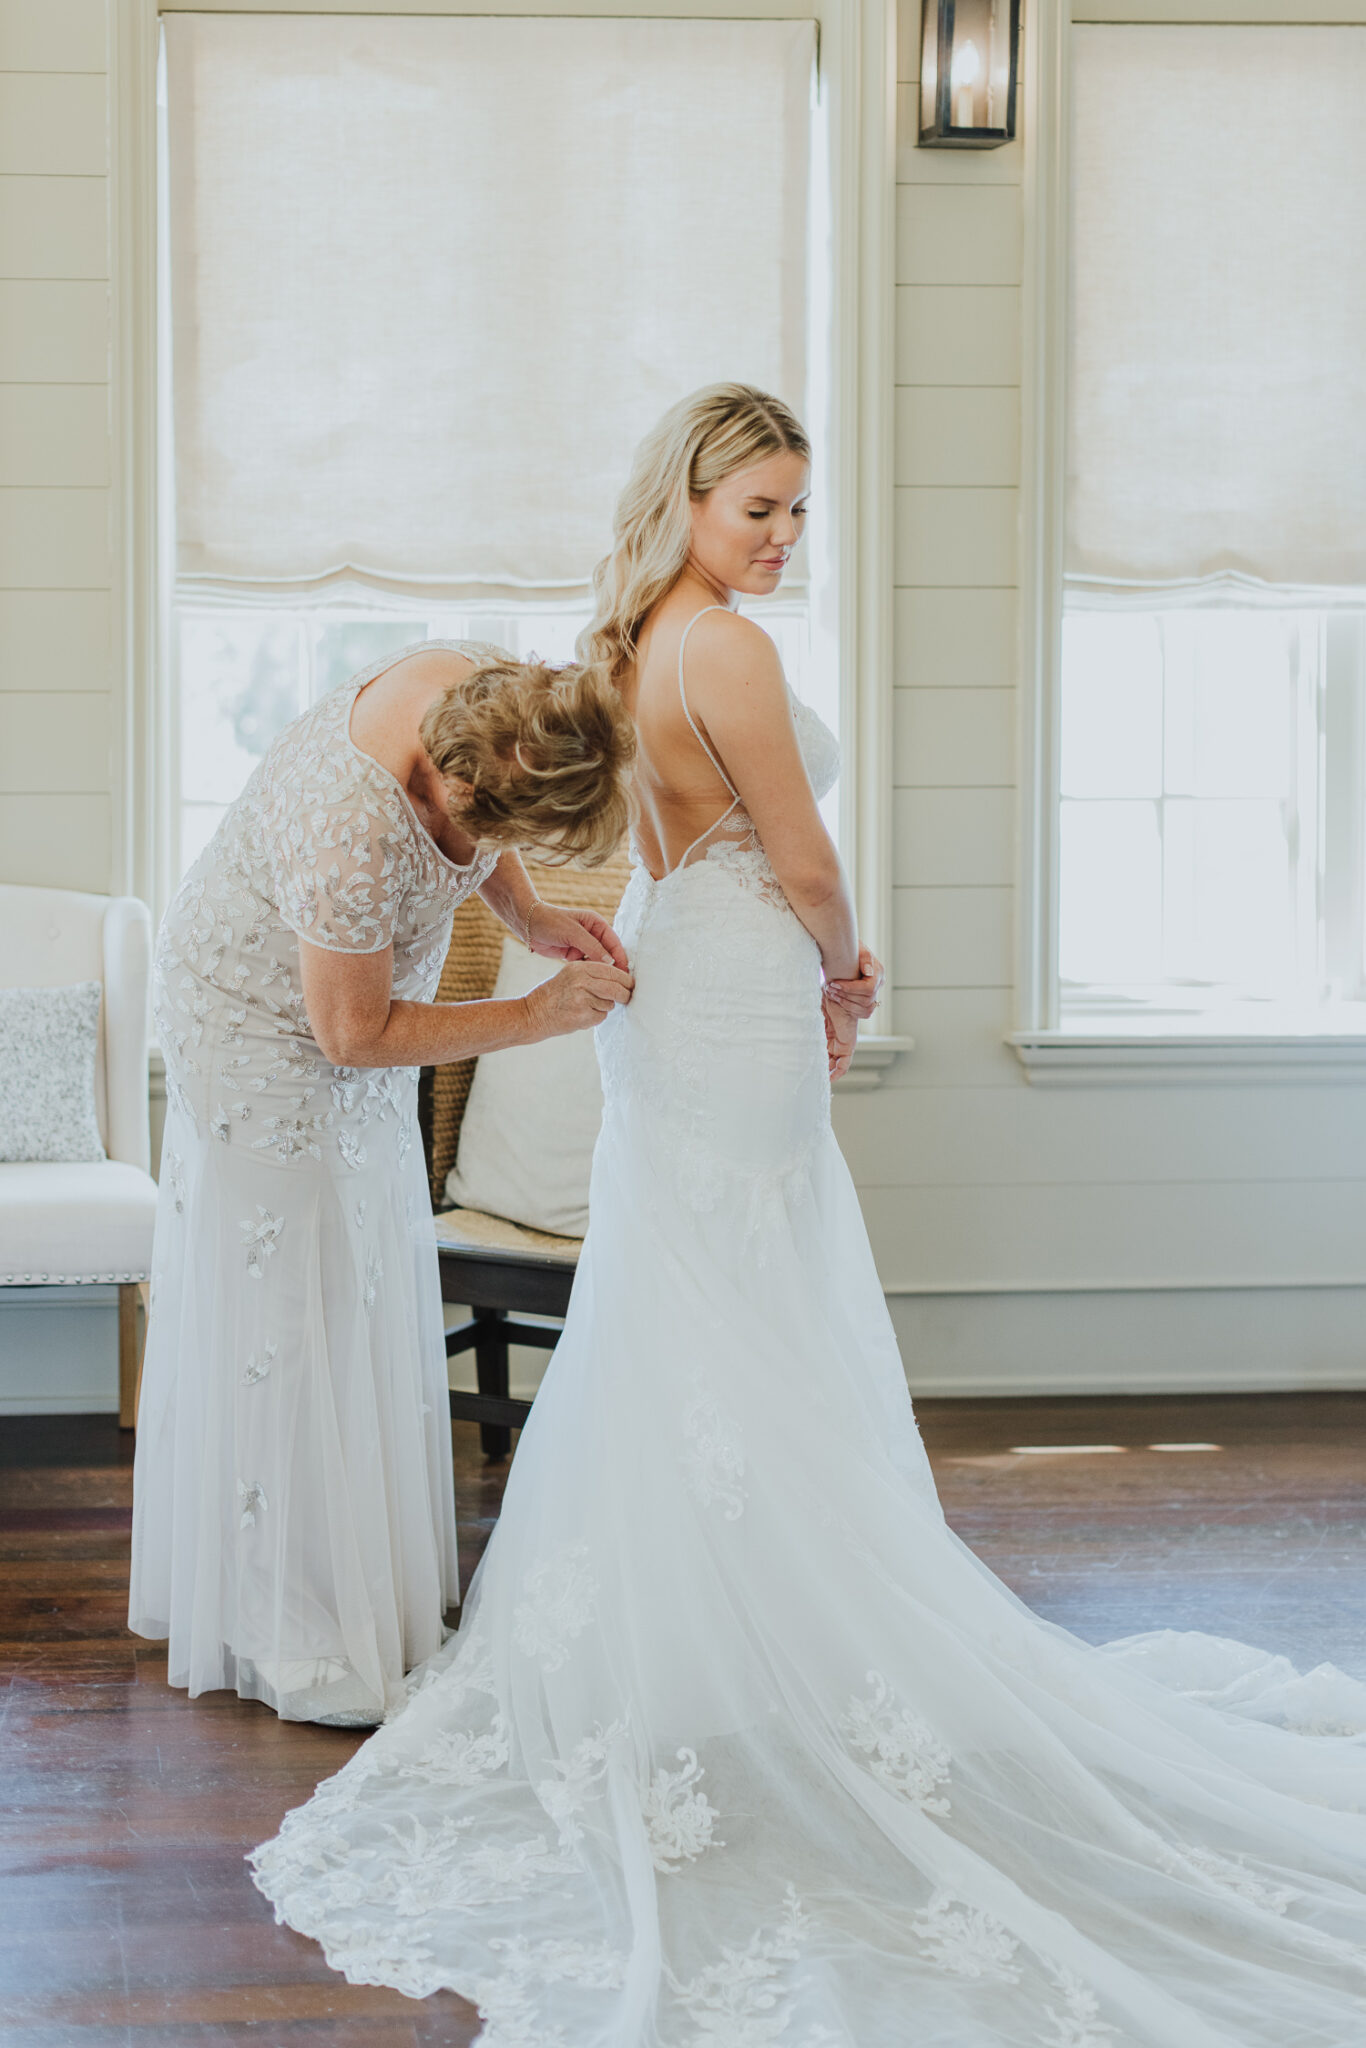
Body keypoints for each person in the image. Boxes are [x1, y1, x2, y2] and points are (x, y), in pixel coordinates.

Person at [251, 393, 1366, 2042]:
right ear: (689, 499)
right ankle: (784, 1651)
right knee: (756, 1305)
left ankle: (712, 1655)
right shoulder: (732, 657)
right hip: (743, 998)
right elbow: (805, 853)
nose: (783, 537)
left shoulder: (625, 638)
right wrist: (846, 968)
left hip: (669, 1003)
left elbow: (639, 848)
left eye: (795, 511)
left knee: (687, 1309)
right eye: (758, 506)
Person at [129, 642, 635, 1726]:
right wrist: (536, 1014)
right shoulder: (351, 824)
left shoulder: (493, 695)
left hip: (347, 1008)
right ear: (455, 783)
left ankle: (362, 1584)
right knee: (288, 1311)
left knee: (357, 1277)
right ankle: (290, 1619)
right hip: (257, 1026)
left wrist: (530, 917)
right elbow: (352, 1033)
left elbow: (482, 837)